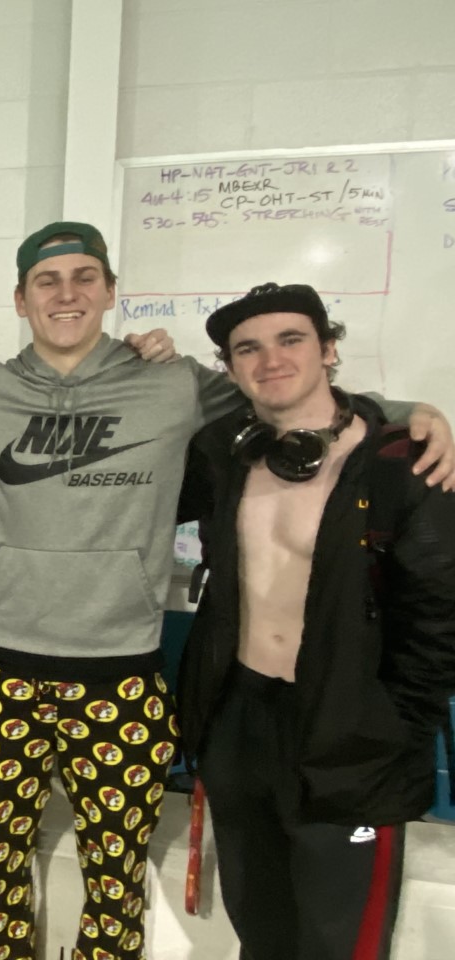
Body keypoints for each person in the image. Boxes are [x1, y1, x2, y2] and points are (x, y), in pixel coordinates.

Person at [0, 224, 454, 960]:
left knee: (116, 889)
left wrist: (412, 412)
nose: (67, 294)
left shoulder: (175, 384)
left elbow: (299, 402)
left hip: (122, 676)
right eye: (47, 281)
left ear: (111, 291)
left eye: (85, 277)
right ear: (20, 300)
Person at [176, 283, 455, 960]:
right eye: (248, 349)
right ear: (230, 369)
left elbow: (439, 620)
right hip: (239, 725)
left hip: (350, 738)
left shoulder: (401, 463)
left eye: (291, 339)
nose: (271, 359)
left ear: (329, 350)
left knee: (339, 943)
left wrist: (389, 733)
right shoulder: (220, 452)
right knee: (260, 930)